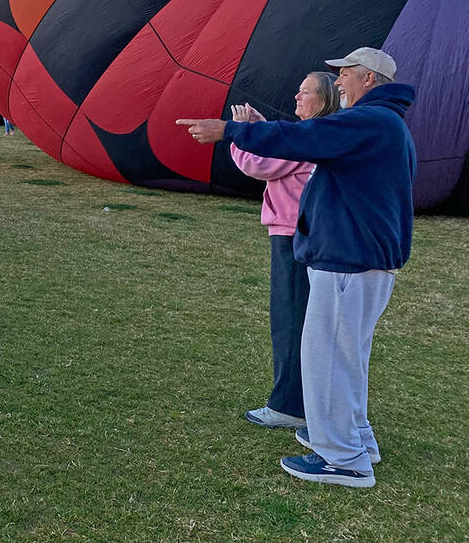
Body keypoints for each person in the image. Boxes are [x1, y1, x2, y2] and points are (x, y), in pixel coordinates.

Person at [178, 48, 415, 488]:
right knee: (348, 357)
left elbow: (301, 139)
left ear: (369, 79)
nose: (339, 83)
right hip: (366, 259)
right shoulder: (388, 125)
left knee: (326, 356)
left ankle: (343, 460)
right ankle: (358, 440)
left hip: (348, 259)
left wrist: (231, 130)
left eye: (344, 75)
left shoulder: (366, 121)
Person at [230, 72, 339, 431]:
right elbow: (279, 140)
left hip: (292, 235)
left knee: (290, 318)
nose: (296, 96)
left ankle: (289, 405)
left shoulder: (305, 139)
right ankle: (306, 400)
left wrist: (237, 131)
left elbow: (255, 163)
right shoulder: (319, 136)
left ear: (322, 102)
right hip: (306, 234)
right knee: (300, 317)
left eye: (305, 92)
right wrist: (261, 126)